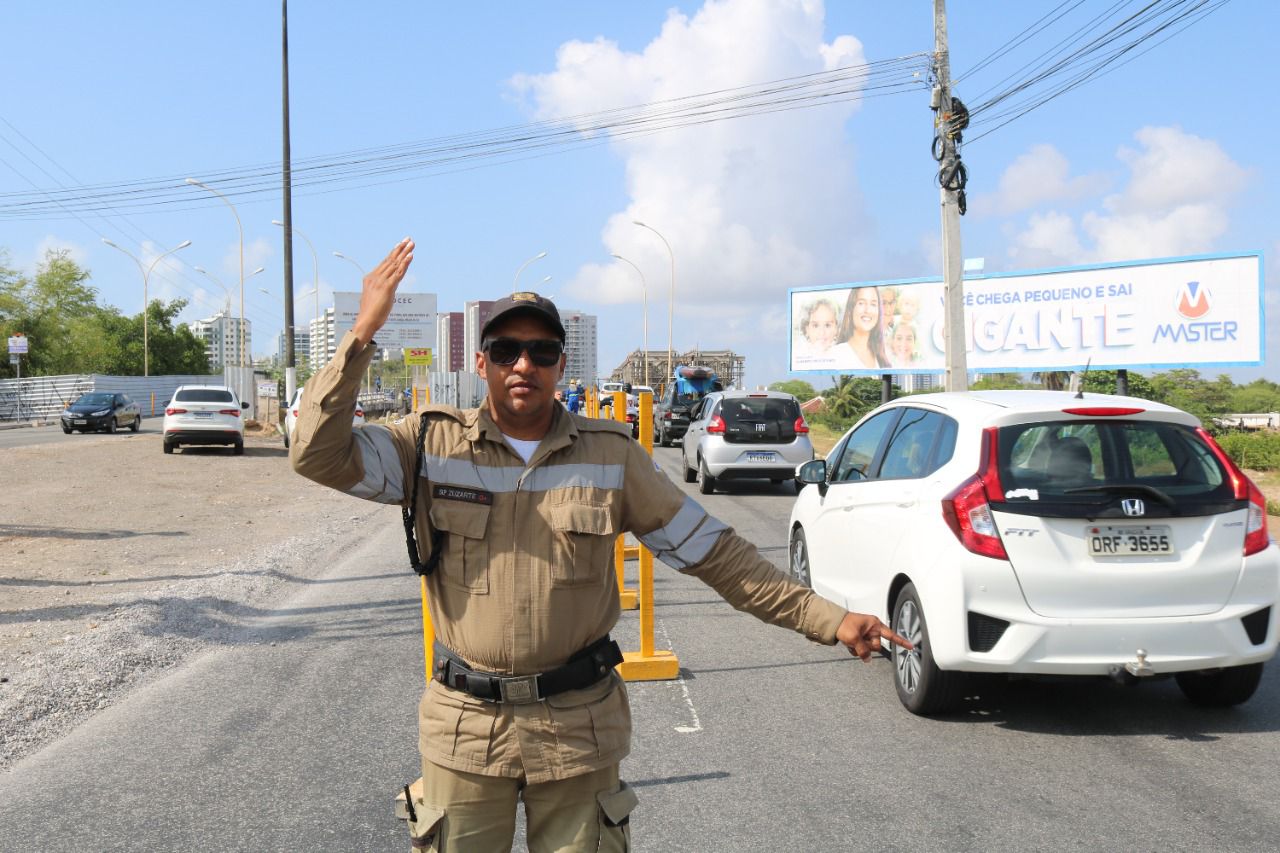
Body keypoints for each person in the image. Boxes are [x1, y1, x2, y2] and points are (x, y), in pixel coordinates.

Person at [291, 238, 911, 852]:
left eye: (541, 350)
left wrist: (829, 619)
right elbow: (316, 454)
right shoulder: (428, 447)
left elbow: (716, 554)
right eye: (506, 350)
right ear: (482, 363)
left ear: (562, 363)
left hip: (577, 729)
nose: (523, 365)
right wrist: (362, 334)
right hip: (465, 728)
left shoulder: (611, 457)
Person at [832, 286, 890, 370]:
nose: (868, 310)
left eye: (873, 304)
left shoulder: (882, 357)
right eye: (861, 303)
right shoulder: (837, 353)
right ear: (851, 309)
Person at [791, 295, 842, 368]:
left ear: (837, 329)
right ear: (807, 330)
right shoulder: (799, 353)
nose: (821, 332)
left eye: (827, 325)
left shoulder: (843, 355)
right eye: (815, 326)